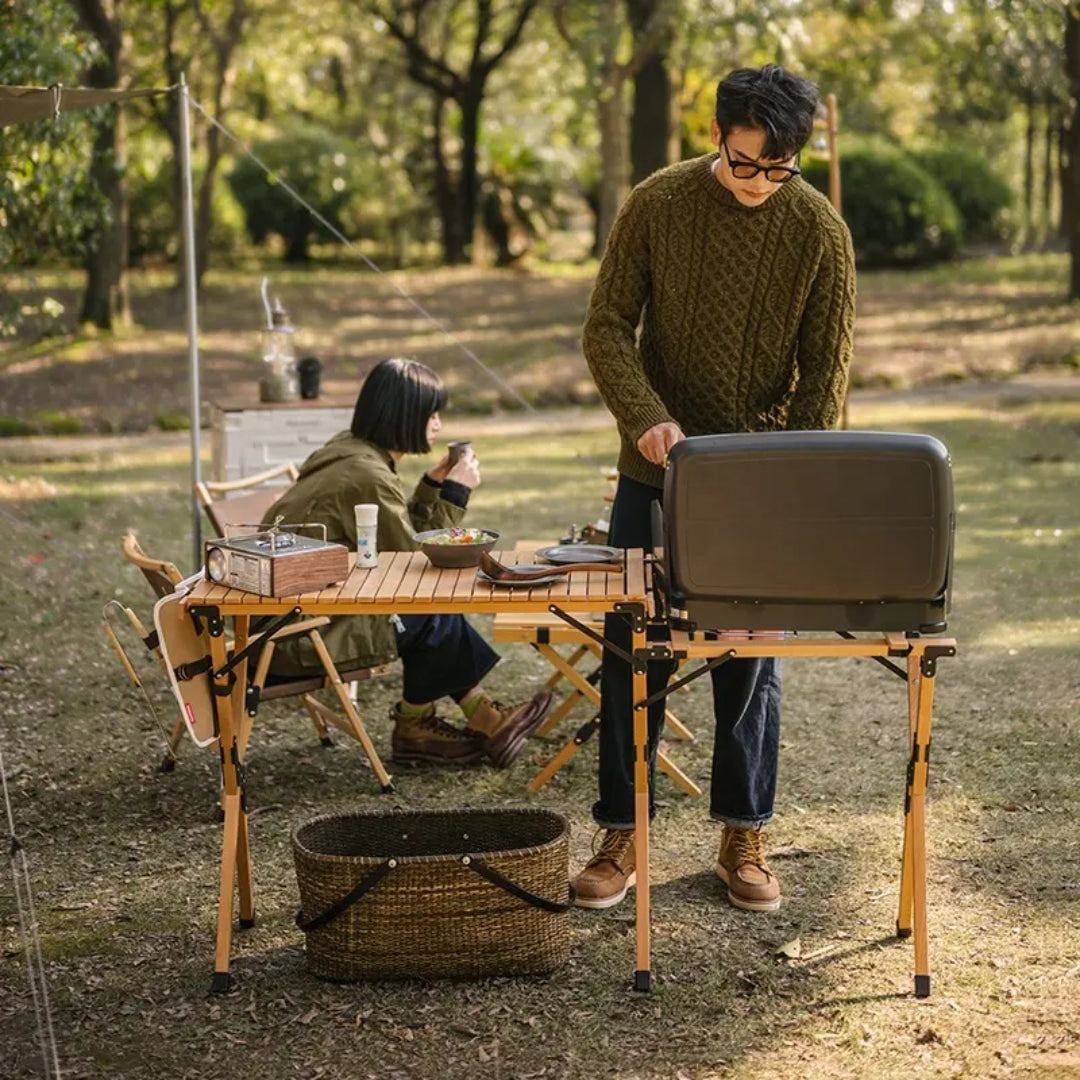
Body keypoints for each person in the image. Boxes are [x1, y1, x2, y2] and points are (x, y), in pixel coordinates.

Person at [572, 64, 856, 912]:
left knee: (748, 660)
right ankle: (622, 832)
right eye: (744, 163)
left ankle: (744, 831)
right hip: (651, 469)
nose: (760, 183)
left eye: (779, 168)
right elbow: (606, 327)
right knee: (632, 653)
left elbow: (824, 379)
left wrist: (777, 480)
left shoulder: (821, 231)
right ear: (718, 137)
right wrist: (647, 419)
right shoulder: (656, 203)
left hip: (758, 484)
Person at [261, 356, 553, 768]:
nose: (437, 423)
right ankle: (436, 724)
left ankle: (455, 721)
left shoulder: (351, 451)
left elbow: (396, 540)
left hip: (295, 613)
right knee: (432, 608)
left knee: (430, 610)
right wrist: (455, 494)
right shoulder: (367, 475)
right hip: (300, 636)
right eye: (431, 413)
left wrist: (431, 486)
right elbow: (416, 565)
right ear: (405, 416)